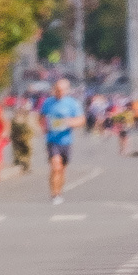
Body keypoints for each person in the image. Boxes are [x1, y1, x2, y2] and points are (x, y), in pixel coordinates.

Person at [39, 77, 84, 205]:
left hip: (66, 140)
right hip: (52, 140)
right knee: (55, 166)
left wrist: (69, 122)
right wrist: (44, 127)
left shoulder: (72, 103)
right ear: (54, 90)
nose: (60, 92)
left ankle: (59, 191)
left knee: (62, 169)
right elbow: (41, 118)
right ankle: (54, 194)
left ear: (67, 90)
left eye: (62, 90)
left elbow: (81, 120)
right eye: (57, 90)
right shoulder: (48, 102)